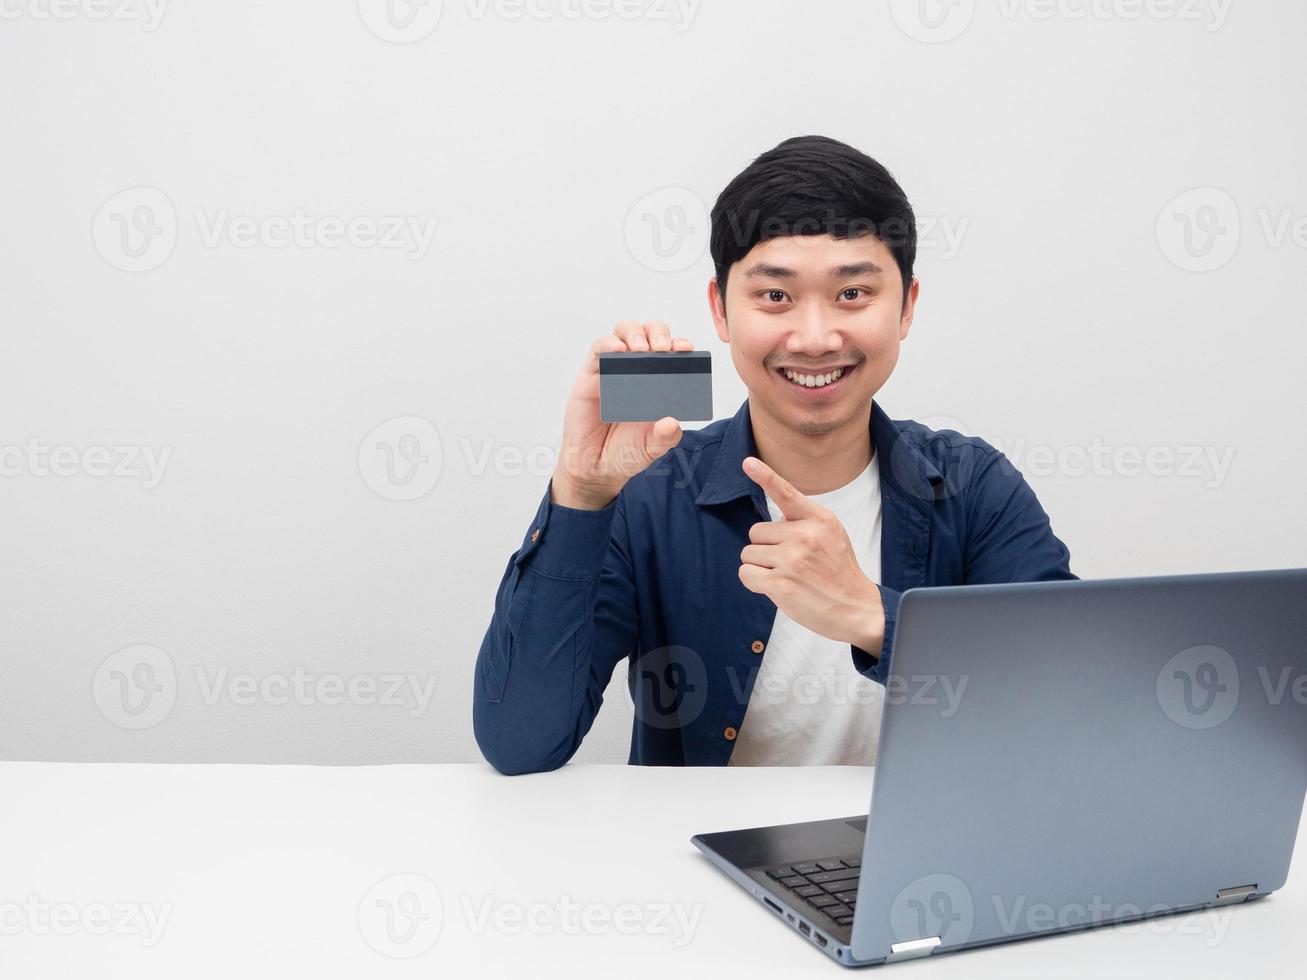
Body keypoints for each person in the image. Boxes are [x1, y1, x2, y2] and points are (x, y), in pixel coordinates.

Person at [473, 135, 1076, 775]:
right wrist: (582, 491)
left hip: (927, 866)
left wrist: (873, 617)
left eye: (852, 294)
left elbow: (1069, 708)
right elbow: (521, 744)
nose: (815, 339)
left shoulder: (973, 486)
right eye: (775, 296)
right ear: (720, 309)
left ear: (907, 307)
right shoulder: (651, 494)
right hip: (693, 867)